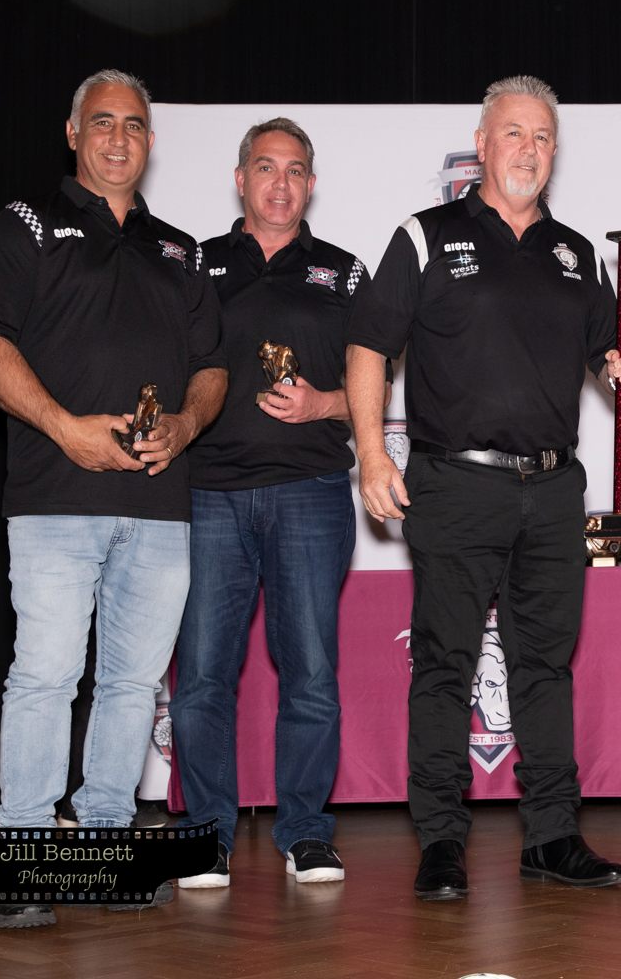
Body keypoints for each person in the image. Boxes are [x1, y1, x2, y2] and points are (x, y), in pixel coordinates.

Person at [346, 74, 621, 901]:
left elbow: (607, 356)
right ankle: (442, 840)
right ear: (481, 146)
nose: (529, 149)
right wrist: (372, 453)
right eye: (514, 133)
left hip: (552, 492)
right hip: (453, 484)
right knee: (444, 665)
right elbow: (369, 346)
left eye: (543, 137)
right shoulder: (425, 235)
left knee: (544, 668)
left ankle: (552, 836)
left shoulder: (576, 253)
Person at [0, 69, 226, 927]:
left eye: (134, 124)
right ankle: (26, 856)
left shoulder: (181, 251)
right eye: (102, 122)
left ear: (151, 140)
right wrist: (63, 427)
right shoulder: (27, 225)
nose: (119, 137)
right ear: (73, 134)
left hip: (159, 505)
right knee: (45, 676)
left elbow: (213, 368)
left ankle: (106, 847)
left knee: (133, 683)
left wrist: (184, 423)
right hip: (53, 497)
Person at [171, 118, 369, 889]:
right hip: (208, 493)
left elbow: (377, 384)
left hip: (311, 493)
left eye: (294, 170)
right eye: (265, 167)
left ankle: (307, 833)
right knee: (201, 675)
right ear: (240, 178)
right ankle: (205, 835)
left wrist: (325, 404)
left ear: (311, 184)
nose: (279, 183)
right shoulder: (196, 264)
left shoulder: (344, 274)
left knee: (311, 672)